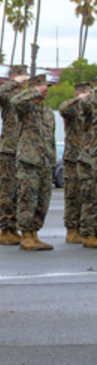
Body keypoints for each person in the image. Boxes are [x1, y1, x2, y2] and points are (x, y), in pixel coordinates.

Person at [11, 74, 56, 251]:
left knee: (42, 200)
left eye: (46, 86)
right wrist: (31, 92)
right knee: (27, 199)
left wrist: (51, 159)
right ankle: (26, 235)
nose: (45, 89)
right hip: (29, 160)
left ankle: (35, 234)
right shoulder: (25, 107)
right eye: (42, 86)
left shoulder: (48, 112)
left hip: (44, 162)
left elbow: (50, 138)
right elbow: (14, 102)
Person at [0, 65, 28, 245]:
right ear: (13, 76)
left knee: (19, 192)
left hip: (22, 150)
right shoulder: (7, 96)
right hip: (9, 149)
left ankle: (14, 227)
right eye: (20, 76)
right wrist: (13, 82)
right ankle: (5, 229)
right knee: (8, 190)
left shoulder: (23, 98)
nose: (23, 80)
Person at [57, 82, 90, 244]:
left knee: (89, 196)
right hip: (73, 159)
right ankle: (72, 230)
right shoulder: (72, 111)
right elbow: (63, 108)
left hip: (89, 159)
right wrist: (79, 100)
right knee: (73, 195)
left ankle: (87, 229)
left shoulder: (90, 112)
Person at [77, 78, 97, 249]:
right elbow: (81, 106)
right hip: (90, 158)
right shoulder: (88, 104)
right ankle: (88, 233)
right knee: (91, 197)